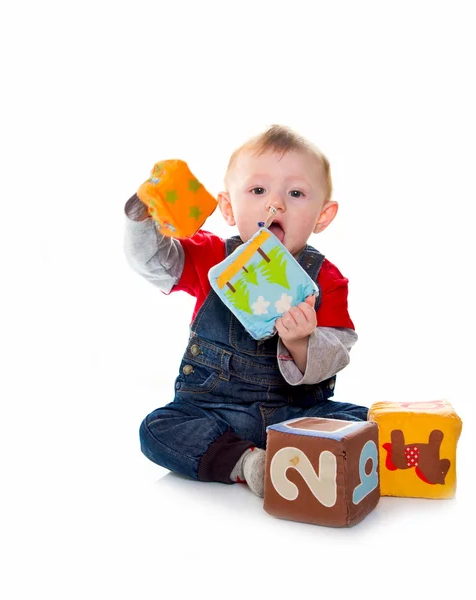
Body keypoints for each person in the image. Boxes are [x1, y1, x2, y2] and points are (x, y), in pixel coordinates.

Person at [124, 124, 367, 498]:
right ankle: (249, 463)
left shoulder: (326, 280)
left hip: (293, 413)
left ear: (322, 215)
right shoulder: (211, 257)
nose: (275, 205)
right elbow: (153, 262)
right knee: (158, 428)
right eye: (258, 190)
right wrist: (145, 217)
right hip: (214, 410)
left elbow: (337, 352)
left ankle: (307, 454)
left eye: (296, 193)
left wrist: (302, 342)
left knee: (362, 421)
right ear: (227, 207)